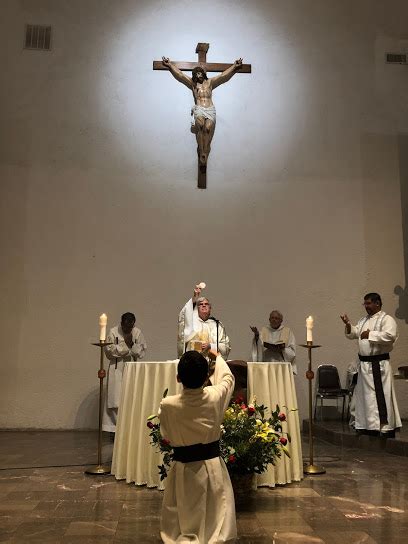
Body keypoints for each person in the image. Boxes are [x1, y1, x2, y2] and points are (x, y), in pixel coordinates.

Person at [159, 350, 236, 543]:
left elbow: (166, 435)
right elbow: (228, 379)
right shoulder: (215, 396)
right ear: (205, 378)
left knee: (182, 514)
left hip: (183, 470)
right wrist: (217, 357)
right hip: (212, 468)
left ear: (178, 378)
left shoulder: (168, 405)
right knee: (215, 513)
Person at [161, 56, 243, 168]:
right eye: (196, 74)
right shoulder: (193, 84)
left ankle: (205, 150)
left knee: (208, 129)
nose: (198, 75)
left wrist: (234, 66)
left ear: (203, 73)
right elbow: (180, 75)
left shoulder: (210, 82)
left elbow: (223, 75)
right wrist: (170, 65)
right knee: (199, 125)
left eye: (200, 73)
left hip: (210, 109)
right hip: (199, 108)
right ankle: (201, 150)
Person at [340, 293, 402, 436]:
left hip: (378, 364)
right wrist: (348, 325)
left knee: (380, 396)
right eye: (365, 304)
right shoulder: (363, 320)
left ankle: (384, 426)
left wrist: (371, 335)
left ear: (377, 303)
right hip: (364, 365)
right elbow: (355, 333)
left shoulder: (387, 319)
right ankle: (366, 425)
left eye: (368, 303)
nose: (366, 306)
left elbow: (390, 336)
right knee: (365, 397)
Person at [102, 312, 147, 433]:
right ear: (121, 323)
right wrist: (127, 347)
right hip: (117, 367)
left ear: (133, 324)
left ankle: (129, 428)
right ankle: (115, 430)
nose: (128, 329)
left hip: (132, 369)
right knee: (115, 399)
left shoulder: (137, 332)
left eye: (130, 326)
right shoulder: (113, 332)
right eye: (126, 326)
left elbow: (141, 353)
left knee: (131, 398)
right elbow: (109, 352)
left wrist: (131, 344)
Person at [177, 285, 231, 359]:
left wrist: (211, 346)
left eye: (206, 304)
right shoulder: (192, 323)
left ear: (210, 308)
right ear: (197, 308)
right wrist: (194, 297)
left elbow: (226, 346)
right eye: (200, 304)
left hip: (212, 363)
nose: (204, 306)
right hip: (193, 362)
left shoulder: (217, 325)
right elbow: (184, 315)